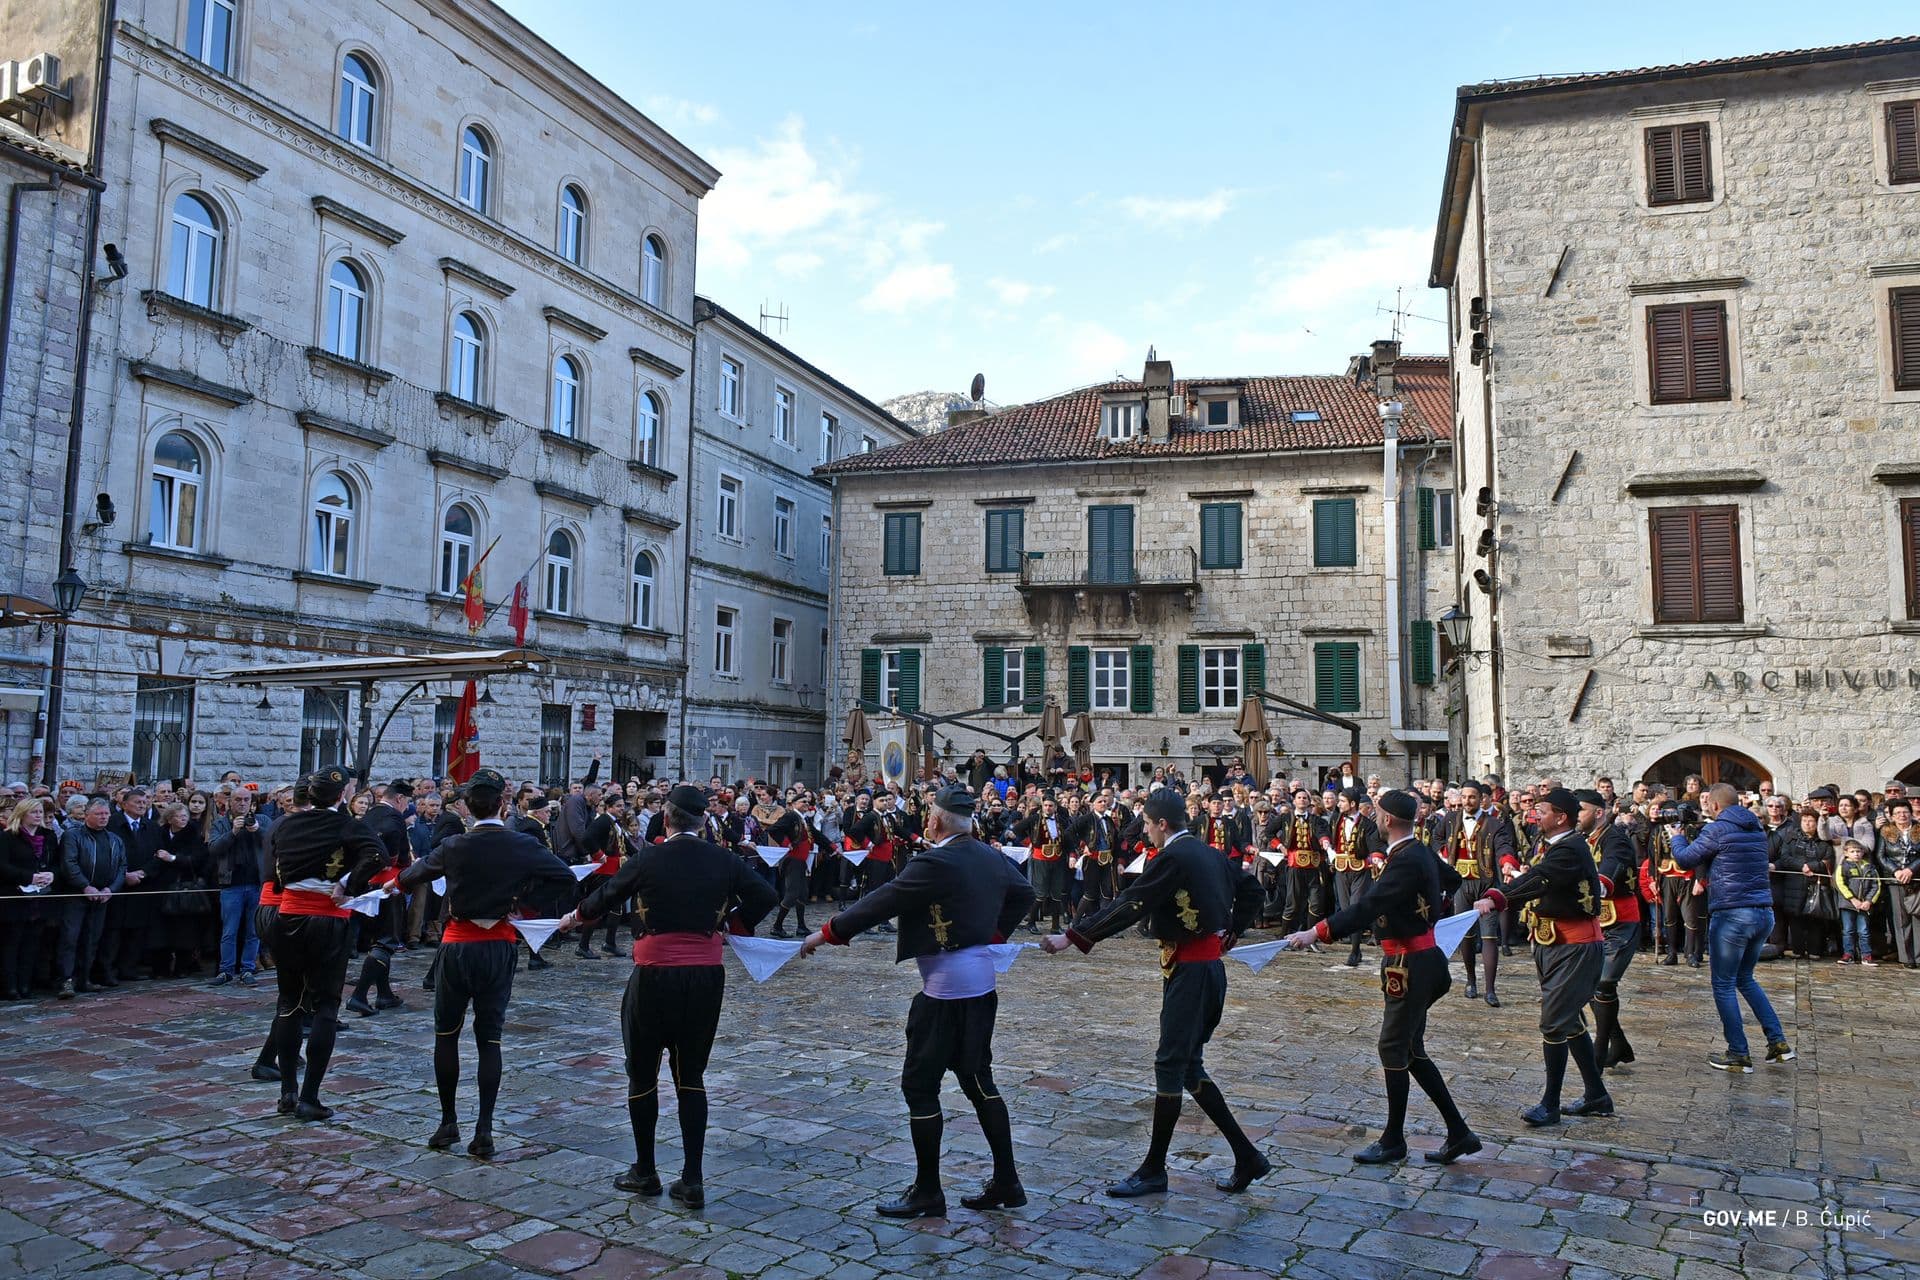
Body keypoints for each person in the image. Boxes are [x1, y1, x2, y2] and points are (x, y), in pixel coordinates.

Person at [800, 784, 1036, 1219]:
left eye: (930, 813)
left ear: (937, 820)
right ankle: (1008, 1180)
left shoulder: (935, 861)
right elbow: (1024, 894)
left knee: (920, 1086)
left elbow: (881, 900)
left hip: (945, 992)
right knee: (979, 1080)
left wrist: (826, 932)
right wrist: (993, 936)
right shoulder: (989, 856)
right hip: (981, 985)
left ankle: (928, 1190)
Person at [1040, 788, 1269, 1199]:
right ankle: (1247, 1155)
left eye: (1147, 824)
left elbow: (1132, 903)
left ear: (1162, 824)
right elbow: (1252, 891)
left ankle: (1153, 1170)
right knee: (1187, 1067)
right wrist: (1234, 927)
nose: (1145, 831)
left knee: (1170, 1065)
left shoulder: (1174, 857)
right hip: (1205, 970)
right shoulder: (1210, 853)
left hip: (1192, 974)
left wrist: (1074, 936)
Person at [558, 784, 776, 1208]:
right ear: (702, 821)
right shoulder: (724, 859)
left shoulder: (650, 857)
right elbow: (765, 896)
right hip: (705, 975)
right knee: (690, 1076)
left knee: (642, 1071)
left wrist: (574, 917)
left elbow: (605, 896)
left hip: (654, 974)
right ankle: (692, 1179)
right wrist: (733, 924)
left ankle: (645, 1169)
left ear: (667, 819)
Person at [1284, 789, 1479, 1165]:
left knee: (1392, 1048)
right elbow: (1452, 880)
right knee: (1410, 1050)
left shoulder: (1404, 860)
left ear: (1388, 819)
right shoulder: (1418, 850)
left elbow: (1369, 905)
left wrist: (1317, 931)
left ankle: (1393, 1140)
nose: (1373, 816)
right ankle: (1459, 1133)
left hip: (1408, 963)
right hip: (1425, 959)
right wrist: (1424, 913)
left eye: (1376, 812)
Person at [398, 769, 575, 1158]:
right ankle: (484, 1129)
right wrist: (523, 898)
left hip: (458, 943)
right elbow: (563, 877)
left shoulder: (456, 844)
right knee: (489, 1038)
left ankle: (447, 1121)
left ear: (467, 806)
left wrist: (387, 885)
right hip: (497, 943)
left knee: (447, 1034)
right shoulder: (519, 844)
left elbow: (413, 875)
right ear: (504, 804)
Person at [1473, 788, 1611, 1126]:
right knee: (1569, 1020)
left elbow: (1541, 878)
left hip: (1575, 946)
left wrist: (1498, 896)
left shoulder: (1569, 849)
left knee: (1553, 1023)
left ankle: (1550, 1104)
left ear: (1560, 816)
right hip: (1554, 943)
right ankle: (1596, 1095)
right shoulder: (1553, 846)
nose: (1536, 816)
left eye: (1543, 810)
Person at [267, 767, 387, 1121]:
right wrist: (349, 884)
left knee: (288, 1003)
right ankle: (309, 1096)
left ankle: (287, 1092)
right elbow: (378, 854)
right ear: (339, 796)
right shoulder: (347, 824)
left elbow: (276, 867)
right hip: (327, 918)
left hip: (287, 916)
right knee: (325, 1007)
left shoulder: (286, 824)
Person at [1670, 782, 1794, 1073]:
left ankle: (1738, 1052)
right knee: (1745, 979)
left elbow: (1686, 858)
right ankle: (1778, 1043)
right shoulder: (1756, 829)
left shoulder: (1717, 830)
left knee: (1723, 985)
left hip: (1732, 914)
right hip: (1762, 913)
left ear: (1714, 805)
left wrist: (1677, 838)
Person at [1576, 790, 1643, 1071]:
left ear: (1599, 812)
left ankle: (1599, 1049)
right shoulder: (1583, 839)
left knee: (1603, 984)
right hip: (1596, 922)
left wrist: (1596, 883)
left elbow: (1609, 871)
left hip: (1621, 922)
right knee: (1592, 986)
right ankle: (1618, 1044)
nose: (1576, 816)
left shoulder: (1616, 839)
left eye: (1581, 810)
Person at [54, 797, 125, 997]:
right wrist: (85, 886)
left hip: (102, 896)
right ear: (87, 815)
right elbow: (69, 864)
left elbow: (122, 867)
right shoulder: (73, 835)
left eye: (106, 814)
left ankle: (85, 978)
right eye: (98, 814)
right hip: (76, 895)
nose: (103, 817)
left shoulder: (115, 839)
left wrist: (111, 889)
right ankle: (65, 980)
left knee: (92, 938)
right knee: (70, 938)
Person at [207, 789, 265, 987]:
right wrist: (232, 832)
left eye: (246, 800)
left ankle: (248, 968)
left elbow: (273, 844)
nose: (242, 803)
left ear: (252, 802)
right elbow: (214, 848)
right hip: (231, 884)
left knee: (253, 930)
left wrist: (257, 829)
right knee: (229, 931)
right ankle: (226, 970)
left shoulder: (262, 820)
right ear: (230, 803)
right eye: (238, 800)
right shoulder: (221, 823)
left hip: (256, 884)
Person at [1, 799, 59, 998]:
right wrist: (29, 877)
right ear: (22, 814)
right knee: (12, 943)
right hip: (15, 898)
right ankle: (10, 985)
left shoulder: (49, 836)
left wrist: (52, 874)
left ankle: (26, 984)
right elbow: (3, 867)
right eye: (33, 812)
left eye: (40, 812)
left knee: (32, 943)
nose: (38, 815)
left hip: (40, 898)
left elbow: (57, 863)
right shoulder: (8, 837)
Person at [1878, 799, 1920, 969]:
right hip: (1895, 880)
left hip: (1916, 879)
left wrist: (1911, 870)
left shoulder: (1918, 830)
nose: (1902, 816)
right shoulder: (1885, 831)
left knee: (1917, 917)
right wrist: (1896, 871)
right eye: (1898, 813)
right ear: (1892, 816)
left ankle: (1919, 956)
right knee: (1901, 919)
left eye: (1905, 812)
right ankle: (1906, 957)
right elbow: (1881, 856)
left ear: (1911, 813)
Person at [1834, 840, 1880, 967]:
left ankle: (1866, 955)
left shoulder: (1869, 867)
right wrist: (1852, 899)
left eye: (1858, 851)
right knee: (1848, 930)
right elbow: (1839, 884)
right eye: (1852, 851)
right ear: (1846, 853)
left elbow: (1876, 885)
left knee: (1864, 930)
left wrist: (1869, 901)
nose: (1856, 854)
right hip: (1848, 905)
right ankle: (1848, 954)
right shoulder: (1842, 866)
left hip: (1864, 906)